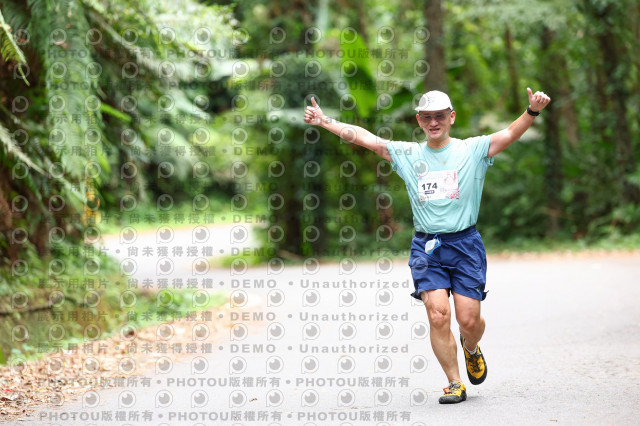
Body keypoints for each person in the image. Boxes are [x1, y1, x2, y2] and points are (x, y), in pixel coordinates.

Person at [303, 88, 551, 404]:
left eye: (440, 116)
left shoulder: (472, 150)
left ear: (451, 117)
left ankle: (471, 346)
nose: (434, 122)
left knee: (468, 321)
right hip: (427, 247)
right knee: (437, 315)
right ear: (419, 121)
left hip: (465, 245)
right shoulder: (408, 154)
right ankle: (454, 383)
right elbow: (367, 140)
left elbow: (509, 134)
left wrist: (532, 111)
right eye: (427, 117)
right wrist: (325, 121)